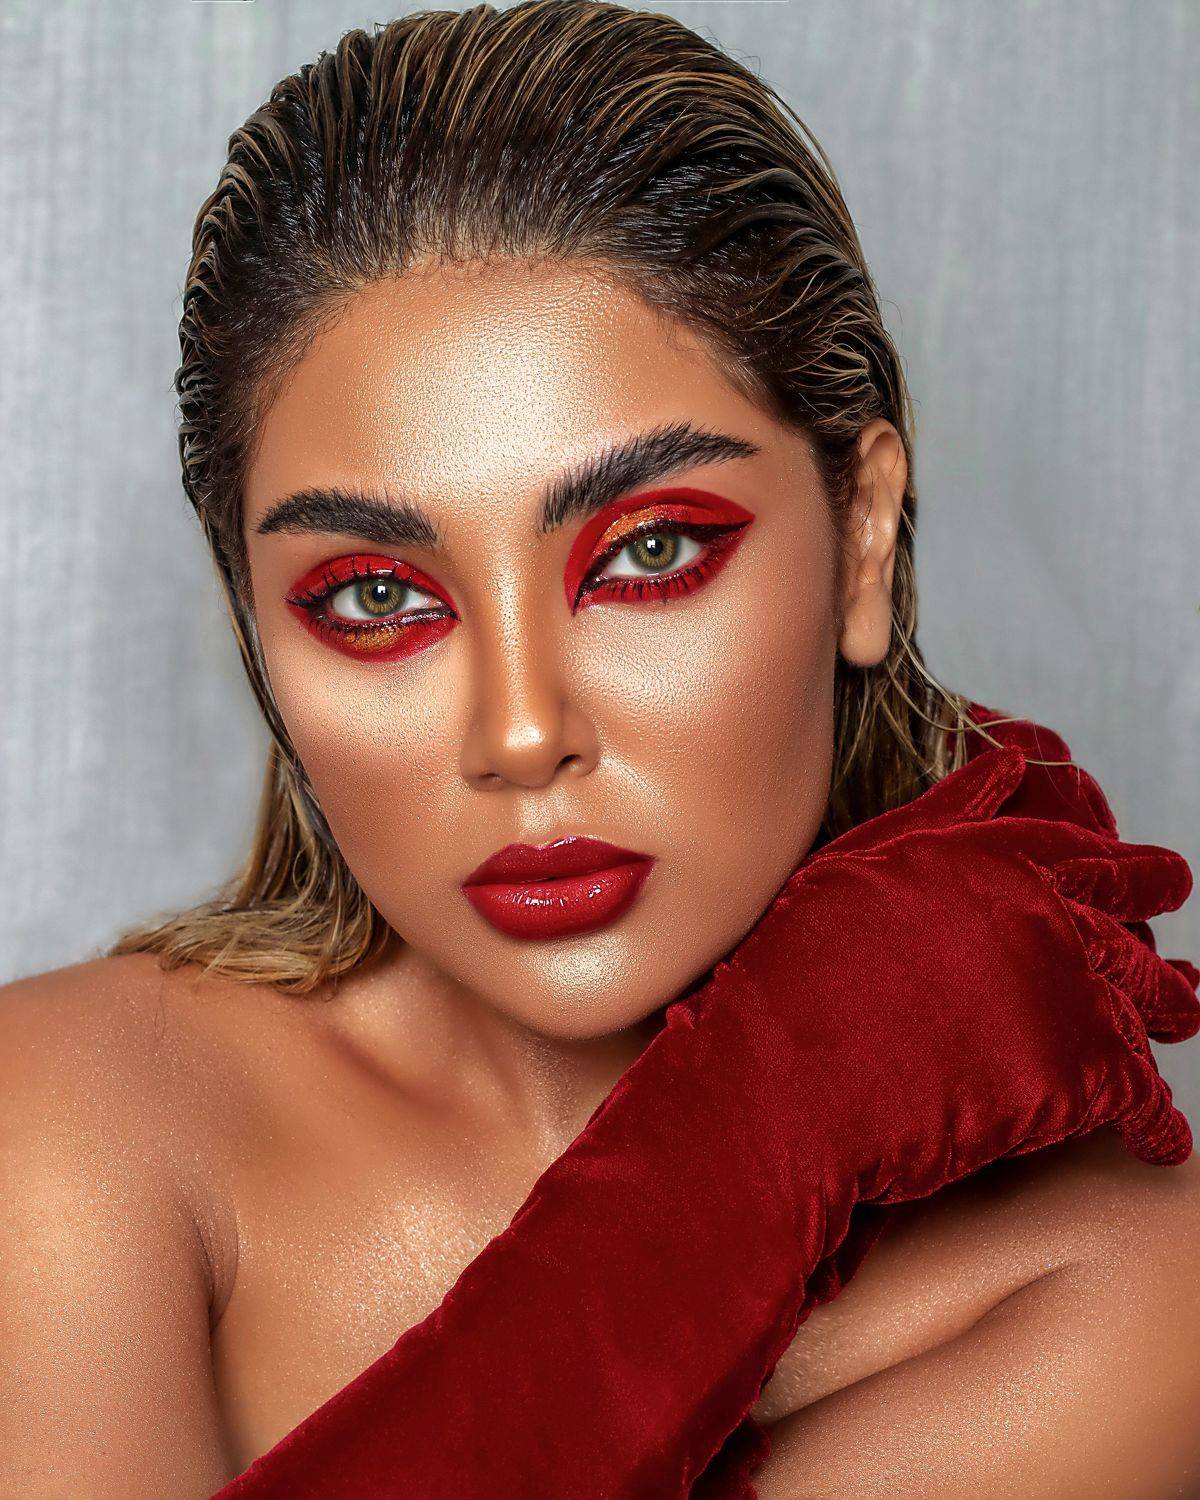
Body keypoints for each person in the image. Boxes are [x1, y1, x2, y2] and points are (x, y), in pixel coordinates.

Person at [1, 4, 1197, 1496]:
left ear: (862, 538)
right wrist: (754, 1141)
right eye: (376, 597)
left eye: (648, 554)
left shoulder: (1110, 1289)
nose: (521, 733)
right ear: (255, 618)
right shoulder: (70, 1129)